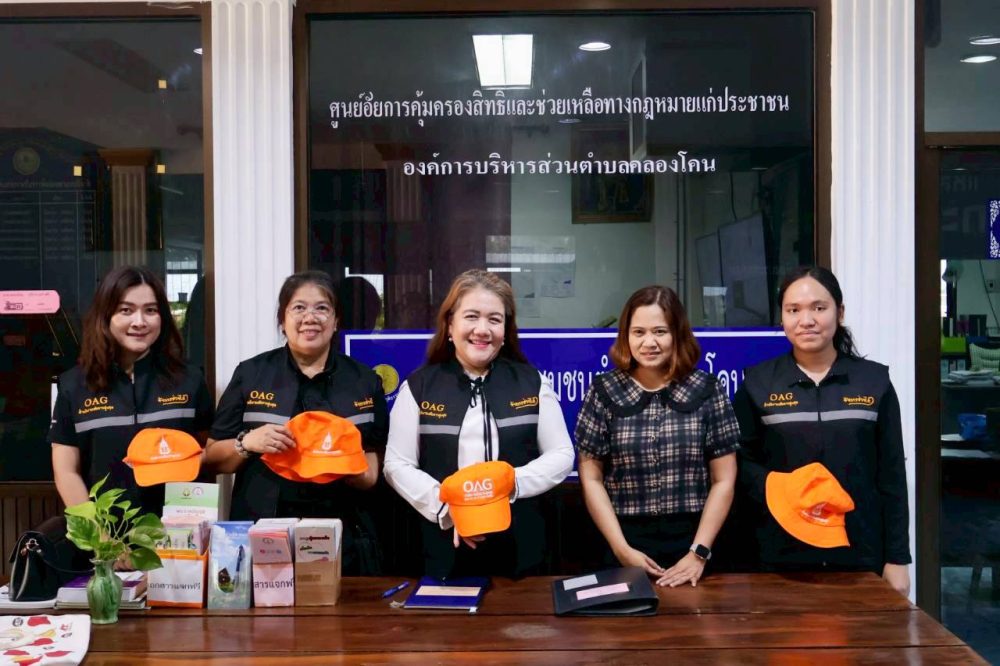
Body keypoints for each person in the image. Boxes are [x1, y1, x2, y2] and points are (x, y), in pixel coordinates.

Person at [732, 266, 911, 596]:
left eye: (819, 307)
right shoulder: (757, 384)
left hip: (860, 554)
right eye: (793, 310)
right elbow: (740, 466)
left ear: (839, 313)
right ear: (782, 317)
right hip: (779, 556)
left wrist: (898, 558)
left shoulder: (873, 381)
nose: (806, 320)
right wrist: (787, 488)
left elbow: (892, 475)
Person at [384, 269, 574, 578]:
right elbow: (396, 464)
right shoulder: (419, 387)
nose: (482, 329)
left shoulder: (532, 382)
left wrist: (510, 483)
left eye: (494, 319)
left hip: (522, 547)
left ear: (506, 329)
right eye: (471, 316)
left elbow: (562, 455)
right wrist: (450, 509)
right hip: (444, 543)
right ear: (450, 325)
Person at [204, 271, 388, 574]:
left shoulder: (364, 381)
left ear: (336, 321)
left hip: (345, 537)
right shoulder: (251, 374)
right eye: (299, 308)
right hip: (263, 533)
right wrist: (247, 442)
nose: (310, 318)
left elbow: (371, 473)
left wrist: (343, 460)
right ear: (282, 319)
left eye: (322, 308)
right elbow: (211, 459)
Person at [575, 285, 740, 587]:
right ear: (626, 336)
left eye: (660, 332)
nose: (649, 342)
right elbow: (591, 478)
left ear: (677, 334)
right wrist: (621, 549)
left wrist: (698, 553)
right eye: (638, 332)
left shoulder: (707, 389)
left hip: (696, 542)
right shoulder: (603, 391)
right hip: (622, 541)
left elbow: (724, 480)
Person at [49, 265, 213, 515]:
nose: (140, 322)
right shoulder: (74, 385)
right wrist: (100, 534)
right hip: (106, 533)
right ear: (105, 315)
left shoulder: (190, 380)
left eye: (150, 310)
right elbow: (66, 472)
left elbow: (209, 455)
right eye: (126, 310)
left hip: (179, 532)